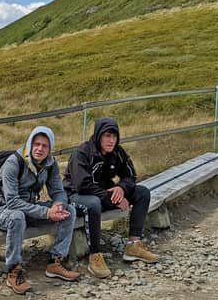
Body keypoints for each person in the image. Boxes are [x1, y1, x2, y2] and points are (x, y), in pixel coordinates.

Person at [0, 126, 80, 294]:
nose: (40, 149)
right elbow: (12, 202)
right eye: (36, 144)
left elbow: (58, 191)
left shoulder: (50, 164)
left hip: (27, 209)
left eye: (45, 145)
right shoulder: (14, 162)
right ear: (30, 144)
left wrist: (58, 205)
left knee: (70, 211)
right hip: (0, 210)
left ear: (50, 148)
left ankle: (55, 262)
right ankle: (13, 269)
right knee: (17, 217)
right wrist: (46, 213)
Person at [65, 118, 158, 279]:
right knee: (93, 203)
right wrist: (113, 198)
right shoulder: (82, 153)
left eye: (114, 136)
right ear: (99, 135)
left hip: (103, 193)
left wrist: (121, 188)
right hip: (76, 196)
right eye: (107, 136)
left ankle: (133, 246)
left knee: (142, 192)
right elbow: (83, 185)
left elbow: (131, 175)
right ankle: (95, 256)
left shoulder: (117, 152)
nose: (111, 140)